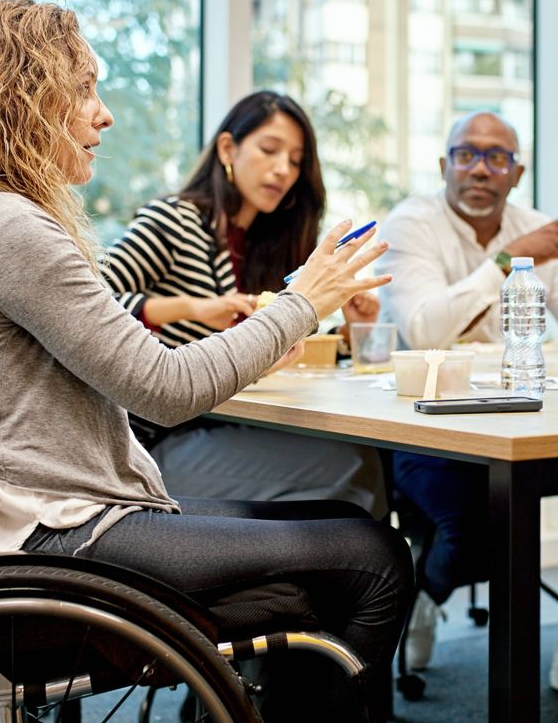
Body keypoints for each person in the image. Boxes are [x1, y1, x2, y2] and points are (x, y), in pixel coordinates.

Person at [0, 0, 413, 723]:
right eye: (83, 90)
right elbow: (166, 391)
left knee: (338, 525)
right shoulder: (10, 231)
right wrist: (303, 301)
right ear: (22, 96)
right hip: (63, 533)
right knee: (373, 554)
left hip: (35, 520)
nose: (102, 116)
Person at [376, 109, 558, 696]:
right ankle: (424, 592)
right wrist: (509, 260)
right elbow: (426, 329)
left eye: (496, 156)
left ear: (516, 170)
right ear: (444, 164)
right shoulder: (411, 224)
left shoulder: (536, 228)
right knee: (479, 534)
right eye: (467, 153)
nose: (480, 168)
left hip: (525, 422)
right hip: (426, 428)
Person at [102, 90, 388, 517]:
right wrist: (191, 308)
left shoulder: (273, 246)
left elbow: (295, 346)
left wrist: (350, 328)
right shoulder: (175, 220)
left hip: (227, 424)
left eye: (295, 161)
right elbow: (91, 302)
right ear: (228, 148)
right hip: (147, 442)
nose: (282, 170)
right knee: (352, 468)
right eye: (270, 150)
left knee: (357, 456)